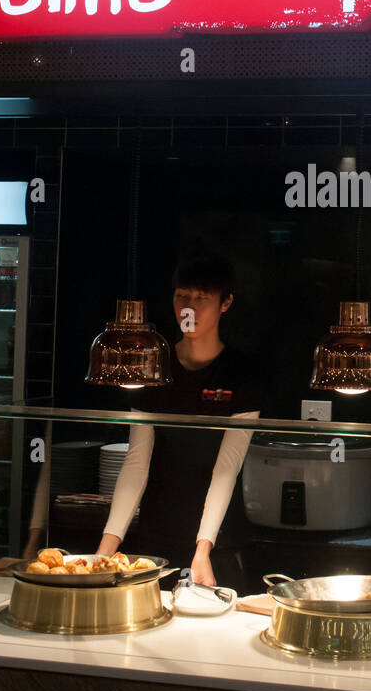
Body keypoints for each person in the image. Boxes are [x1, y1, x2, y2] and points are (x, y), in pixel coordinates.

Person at [96, 253, 263, 591]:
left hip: (219, 543)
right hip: (156, 537)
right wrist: (104, 551)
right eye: (182, 296)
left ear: (225, 303)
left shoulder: (242, 373)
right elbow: (136, 461)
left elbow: (226, 468)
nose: (190, 307)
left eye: (202, 298)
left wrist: (202, 550)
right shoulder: (152, 365)